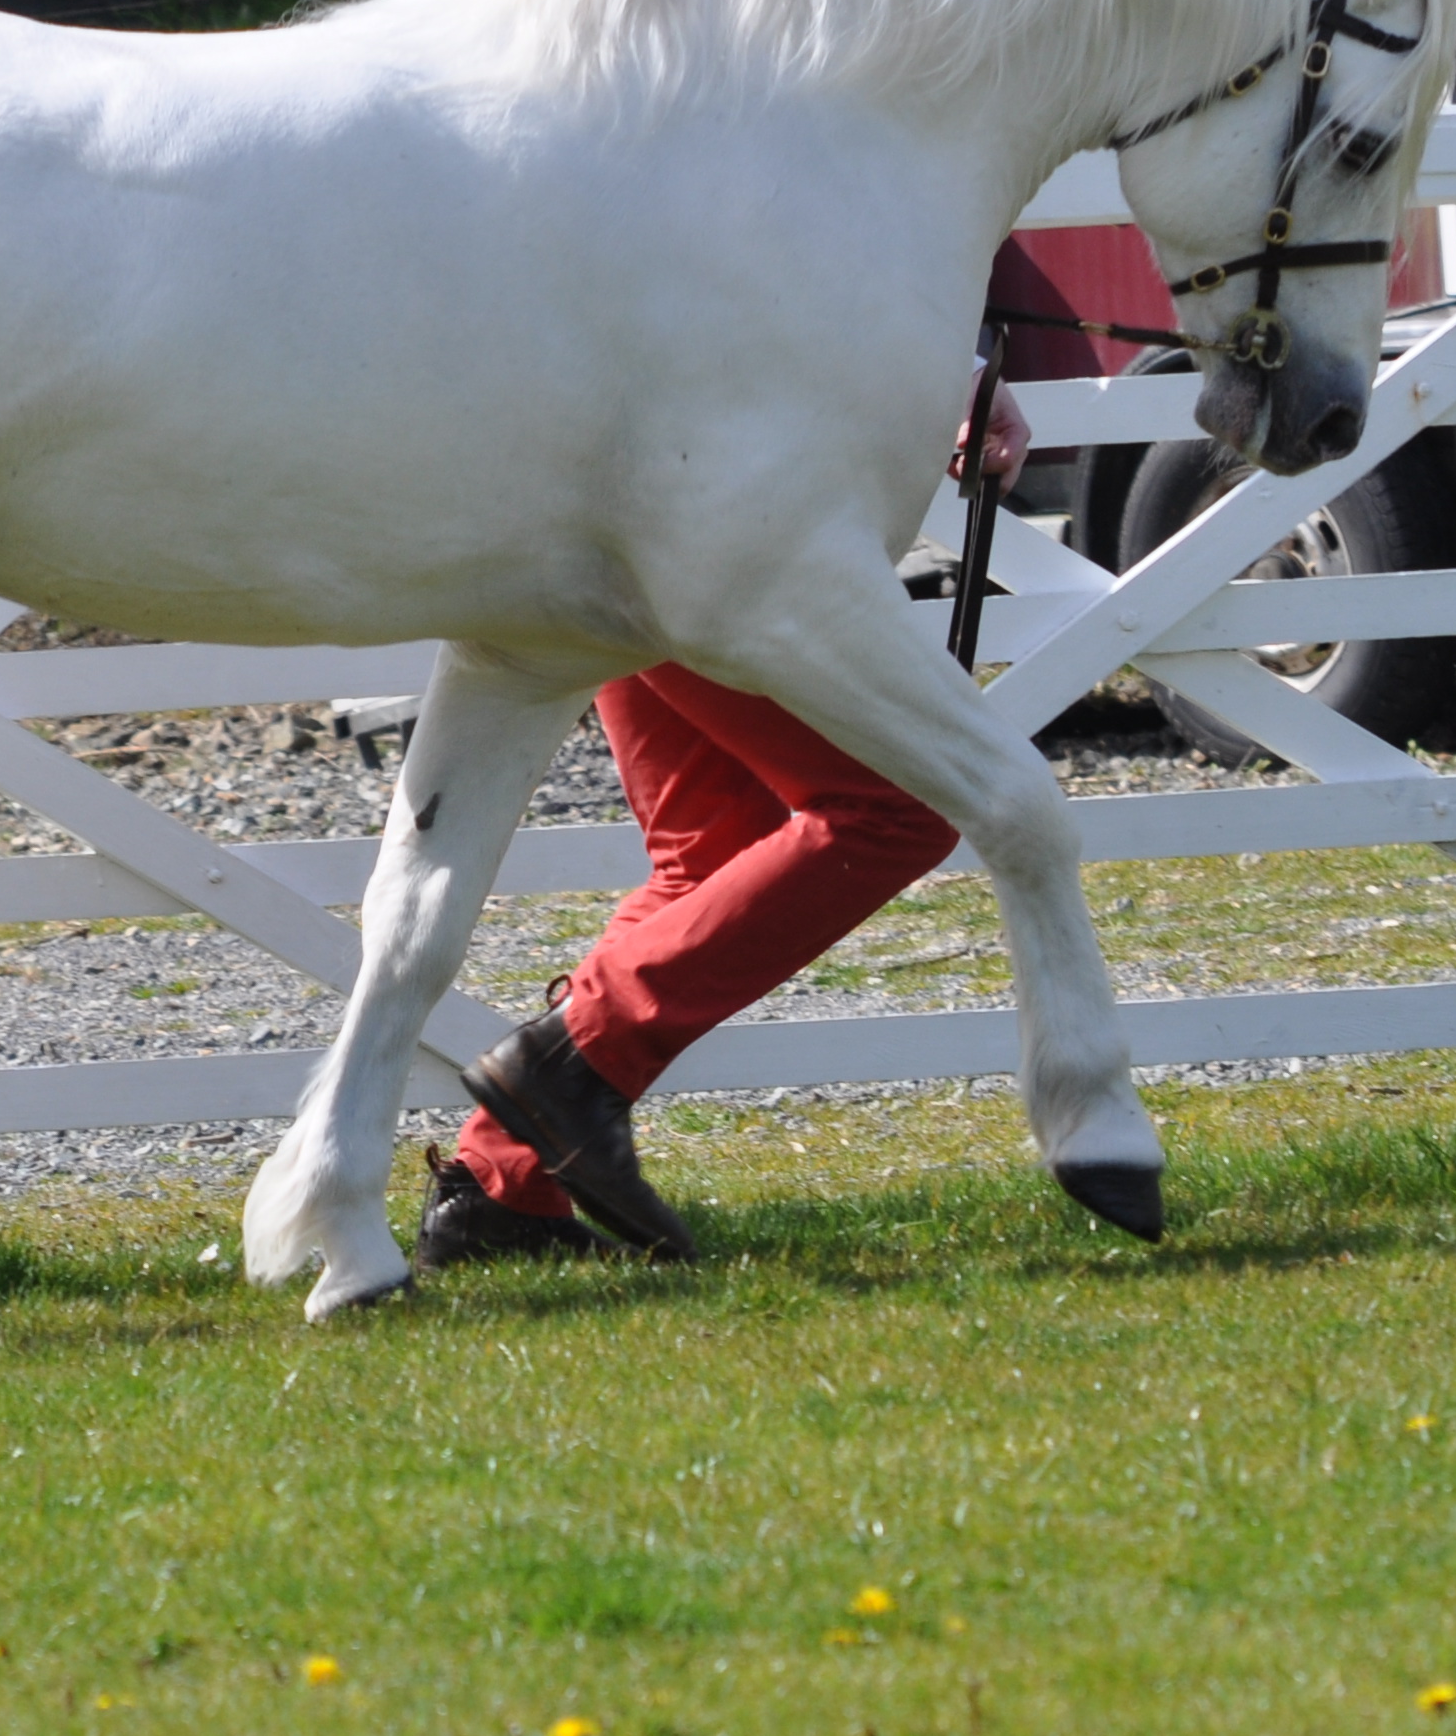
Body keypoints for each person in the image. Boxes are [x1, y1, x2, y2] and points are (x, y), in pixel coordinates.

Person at [417, 381, 1032, 1267]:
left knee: (711, 861)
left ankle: (500, 1189)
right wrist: (952, 373)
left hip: (593, 501)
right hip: (680, 523)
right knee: (900, 807)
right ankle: (566, 1066)